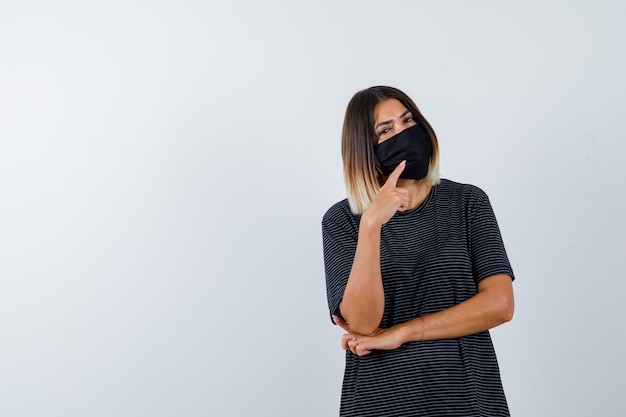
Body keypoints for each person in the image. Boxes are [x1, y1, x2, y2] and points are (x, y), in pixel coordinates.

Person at [322, 86, 515, 416]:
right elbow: (363, 325)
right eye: (386, 130)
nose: (404, 132)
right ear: (363, 149)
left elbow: (499, 305)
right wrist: (371, 226)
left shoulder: (467, 203)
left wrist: (403, 332)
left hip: (466, 396)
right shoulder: (343, 220)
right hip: (380, 399)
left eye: (408, 120)